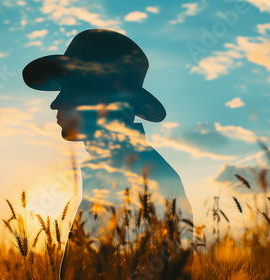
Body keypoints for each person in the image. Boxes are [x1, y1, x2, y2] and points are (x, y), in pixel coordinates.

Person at [23, 29, 193, 279]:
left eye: (67, 89)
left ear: (101, 98)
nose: (54, 103)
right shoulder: (116, 170)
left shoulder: (149, 180)